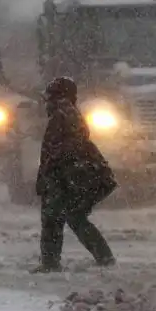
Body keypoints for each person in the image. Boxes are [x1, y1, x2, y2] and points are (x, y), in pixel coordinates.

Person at [31, 76, 117, 273]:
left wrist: (49, 177)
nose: (45, 103)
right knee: (74, 217)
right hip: (80, 175)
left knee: (55, 219)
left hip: (68, 177)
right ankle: (104, 257)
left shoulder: (60, 114)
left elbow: (54, 152)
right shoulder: (69, 112)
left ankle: (51, 264)